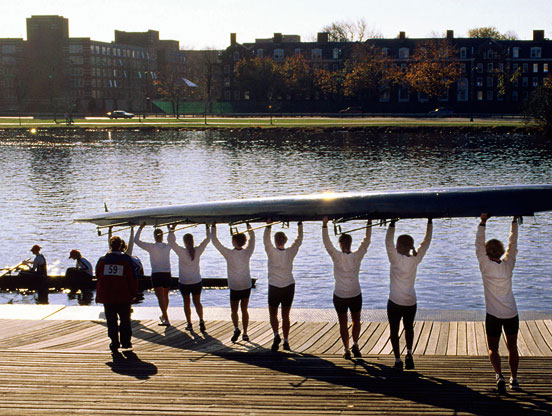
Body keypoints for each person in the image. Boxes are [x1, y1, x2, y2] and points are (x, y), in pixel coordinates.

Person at [476, 213, 521, 393]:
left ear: (487, 253)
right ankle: (514, 379)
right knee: (512, 347)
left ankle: (499, 375)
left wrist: (483, 223)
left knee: (493, 348)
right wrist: (514, 222)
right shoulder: (508, 264)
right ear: (501, 251)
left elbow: (478, 245)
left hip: (493, 315)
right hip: (511, 313)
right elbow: (513, 244)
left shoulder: (485, 266)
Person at [385, 218, 433, 371]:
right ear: (410, 246)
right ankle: (409, 354)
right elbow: (426, 243)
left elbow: (388, 242)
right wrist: (430, 223)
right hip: (410, 302)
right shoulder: (415, 259)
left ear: (399, 246)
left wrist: (392, 224)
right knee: (409, 328)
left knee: (394, 329)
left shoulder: (394, 259)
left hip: (394, 302)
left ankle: (398, 359)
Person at [322, 216, 371, 359]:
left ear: (340, 244)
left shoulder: (336, 256)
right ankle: (355, 344)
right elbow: (366, 242)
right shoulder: (357, 256)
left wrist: (324, 225)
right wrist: (369, 224)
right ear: (350, 243)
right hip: (355, 294)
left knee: (343, 323)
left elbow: (327, 243)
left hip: (340, 295)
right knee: (356, 320)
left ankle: (346, 349)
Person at [211, 223, 255, 343]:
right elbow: (253, 238)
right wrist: (249, 226)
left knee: (234, 310)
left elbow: (215, 242)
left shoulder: (229, 254)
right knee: (244, 309)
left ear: (234, 241)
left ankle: (236, 328)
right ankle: (245, 333)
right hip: (246, 285)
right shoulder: (247, 252)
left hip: (235, 286)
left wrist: (213, 227)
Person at [264, 219, 303, 351]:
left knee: (273, 314)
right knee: (285, 315)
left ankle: (276, 335)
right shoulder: (290, 252)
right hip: (288, 286)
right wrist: (300, 225)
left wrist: (268, 225)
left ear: (275, 241)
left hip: (274, 286)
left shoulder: (271, 251)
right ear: (285, 241)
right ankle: (286, 341)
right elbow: (299, 240)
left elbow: (265, 240)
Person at [96, 235, 139, 353]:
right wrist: (134, 293)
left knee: (111, 320)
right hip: (123, 295)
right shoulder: (126, 259)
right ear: (121, 245)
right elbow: (133, 277)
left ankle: (114, 342)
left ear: (110, 245)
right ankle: (126, 341)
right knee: (125, 319)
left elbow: (98, 275)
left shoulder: (102, 260)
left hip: (108, 295)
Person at [168, 224, 211, 332]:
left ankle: (189, 323)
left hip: (184, 282)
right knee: (197, 302)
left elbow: (171, 242)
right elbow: (207, 239)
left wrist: (172, 229)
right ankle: (201, 320)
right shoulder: (198, 250)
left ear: (184, 242)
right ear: (192, 241)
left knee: (186, 303)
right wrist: (207, 227)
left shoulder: (181, 251)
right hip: (196, 281)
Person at [135, 223, 172, 326]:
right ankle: (164, 316)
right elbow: (172, 240)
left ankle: (166, 319)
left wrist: (141, 227)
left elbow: (136, 240)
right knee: (165, 296)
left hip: (157, 274)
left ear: (154, 237)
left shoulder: (151, 246)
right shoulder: (167, 246)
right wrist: (170, 229)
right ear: (162, 236)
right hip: (166, 273)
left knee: (160, 297)